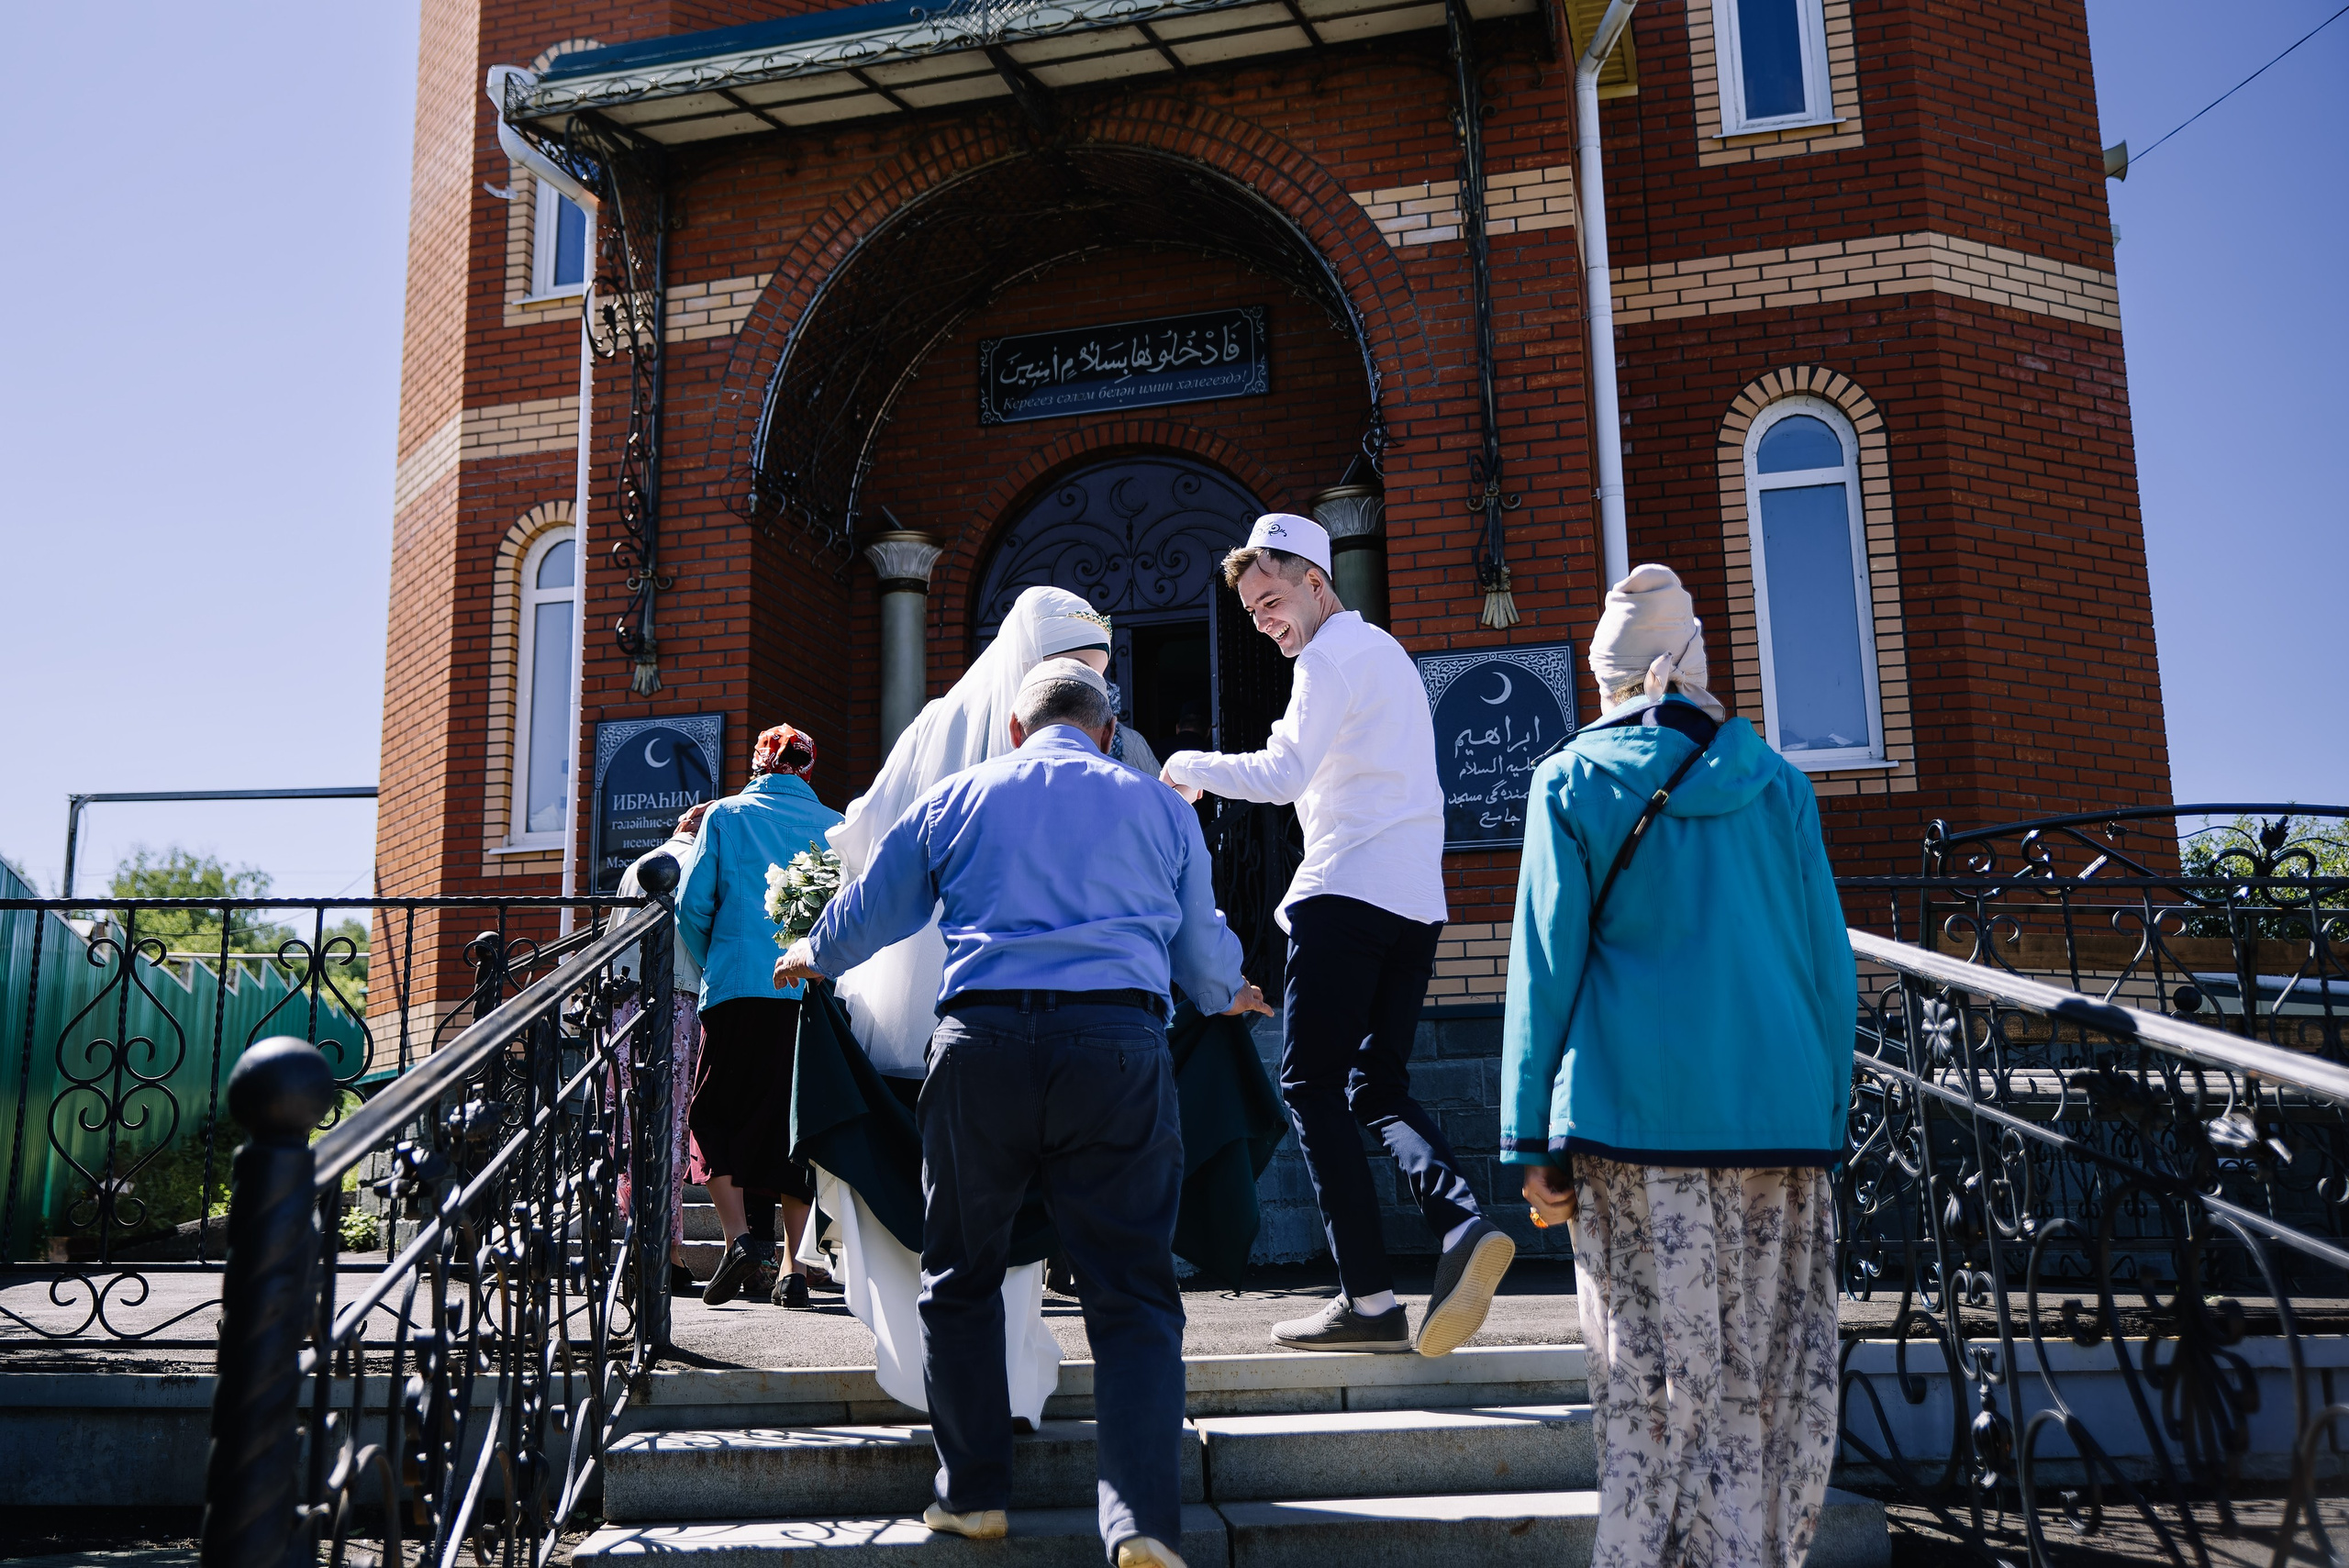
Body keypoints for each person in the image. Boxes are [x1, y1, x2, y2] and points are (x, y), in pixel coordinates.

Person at [776, 657, 1268, 1568]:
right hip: (1119, 1046)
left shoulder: (958, 796)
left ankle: (973, 1496)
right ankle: (1141, 1522)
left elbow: (871, 912)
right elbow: (1200, 951)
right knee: (1131, 1293)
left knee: (960, 1275)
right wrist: (1228, 989)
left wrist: (811, 951)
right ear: (1108, 732)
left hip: (981, 1049)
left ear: (1012, 729)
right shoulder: (1159, 806)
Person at [1503, 563, 1853, 1568]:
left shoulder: (1570, 779)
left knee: (1647, 1374)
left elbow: (1542, 962)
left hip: (1632, 1123)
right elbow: (1826, 961)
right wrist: (1824, 1115)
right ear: (1694, 658)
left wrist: (1531, 1134)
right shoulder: (1779, 782)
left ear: (1602, 676)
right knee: (1765, 1366)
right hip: (1781, 1123)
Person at [1161, 513, 1514, 1357]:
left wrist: (1187, 768)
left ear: (1316, 582)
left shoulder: (1326, 658)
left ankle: (1369, 1299)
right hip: (1415, 905)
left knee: (1310, 1085)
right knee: (1375, 1086)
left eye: (1272, 599)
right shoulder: (1388, 653)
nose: (1264, 620)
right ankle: (1460, 1219)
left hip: (1344, 895)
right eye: (1250, 610)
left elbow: (1283, 774)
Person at [814, 584, 1131, 1425]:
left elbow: (875, 836)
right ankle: (1011, 1390)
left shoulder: (932, 731)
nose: (1090, 694)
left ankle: (957, 1416)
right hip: (1068, 1021)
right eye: (1078, 673)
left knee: (949, 1229)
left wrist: (816, 934)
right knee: (1023, 1225)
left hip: (940, 1017)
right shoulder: (1100, 770)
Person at [675, 723, 844, 1310]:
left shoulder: (724, 817)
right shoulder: (834, 826)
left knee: (715, 1112)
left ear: (757, 765)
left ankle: (739, 1239)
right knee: (795, 1128)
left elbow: (690, 906)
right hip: (809, 995)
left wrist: (715, 961)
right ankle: (794, 1268)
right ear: (807, 768)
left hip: (737, 988)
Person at [616, 800, 712, 1296]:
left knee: (631, 1127)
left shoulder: (638, 866)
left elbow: (614, 938)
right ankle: (666, 1254)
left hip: (624, 1005)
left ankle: (636, 1242)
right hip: (678, 999)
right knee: (670, 1125)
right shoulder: (703, 861)